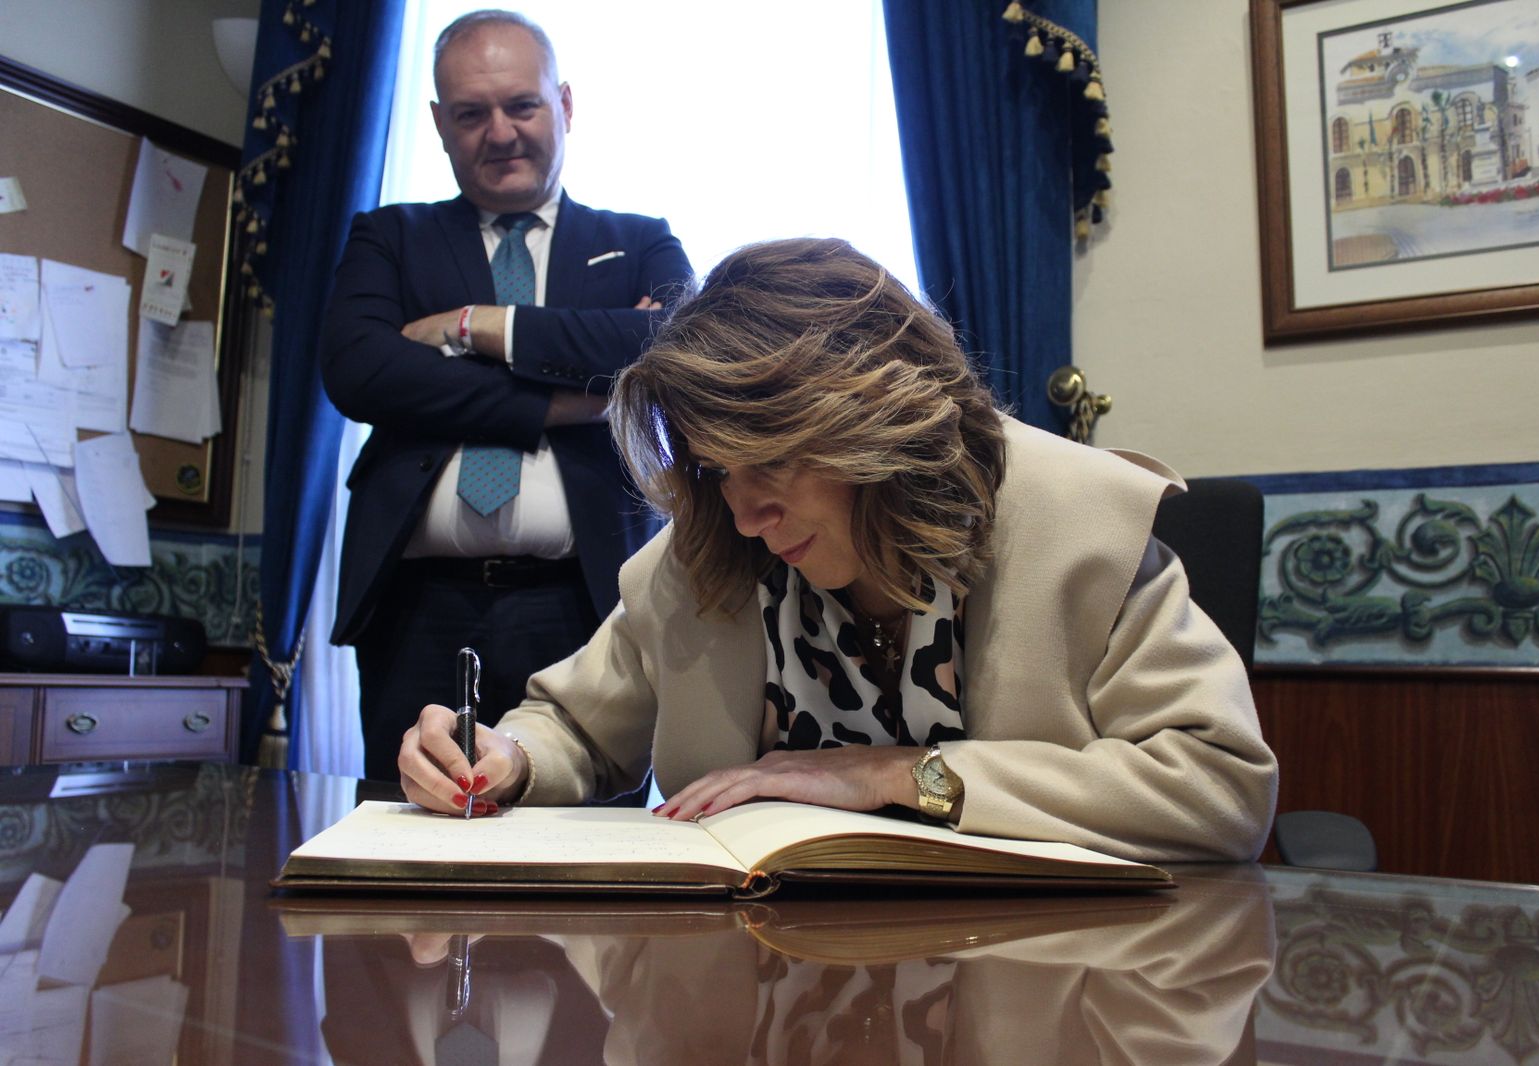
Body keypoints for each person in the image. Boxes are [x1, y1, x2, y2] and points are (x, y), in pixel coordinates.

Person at [399, 237, 1277, 861]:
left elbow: (1219, 785)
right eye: (715, 471)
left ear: (876, 422)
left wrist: (898, 776)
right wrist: (501, 762)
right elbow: (576, 728)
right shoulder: (713, 550)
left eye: (774, 461)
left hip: (1034, 984)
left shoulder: (1076, 525)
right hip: (759, 995)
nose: (745, 514)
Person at [320, 10, 693, 780]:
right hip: (413, 607)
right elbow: (358, 371)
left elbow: (670, 349)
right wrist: (566, 401)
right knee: (407, 827)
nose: (500, 132)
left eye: (521, 106)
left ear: (564, 104)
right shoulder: (389, 238)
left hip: (586, 604)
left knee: (589, 841)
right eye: (471, 114)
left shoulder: (638, 239)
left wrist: (476, 326)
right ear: (438, 123)